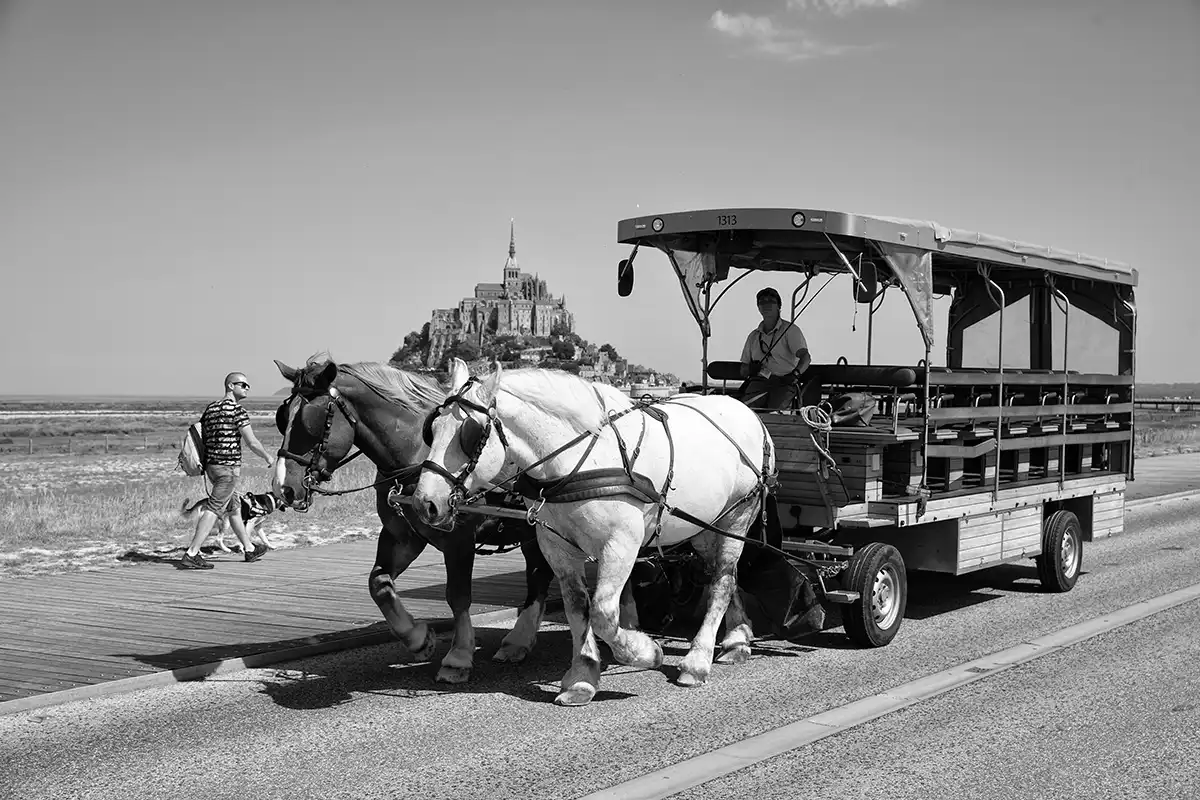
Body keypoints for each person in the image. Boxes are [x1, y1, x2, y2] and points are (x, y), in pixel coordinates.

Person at [180, 372, 274, 570]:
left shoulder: (211, 409)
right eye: (243, 384)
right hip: (227, 469)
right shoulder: (237, 410)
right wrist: (267, 456)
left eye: (248, 385)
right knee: (214, 508)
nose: (247, 388)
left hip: (212, 468)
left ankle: (249, 548)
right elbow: (251, 441)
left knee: (234, 507)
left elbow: (202, 435)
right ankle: (192, 553)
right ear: (230, 386)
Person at [739, 287, 811, 409]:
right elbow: (743, 369)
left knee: (776, 414)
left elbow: (806, 357)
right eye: (762, 302)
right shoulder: (753, 336)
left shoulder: (790, 330)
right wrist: (751, 369)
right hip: (758, 383)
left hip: (783, 384)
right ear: (758, 307)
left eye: (771, 301)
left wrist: (795, 375)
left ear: (779, 306)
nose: (766, 304)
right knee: (746, 412)